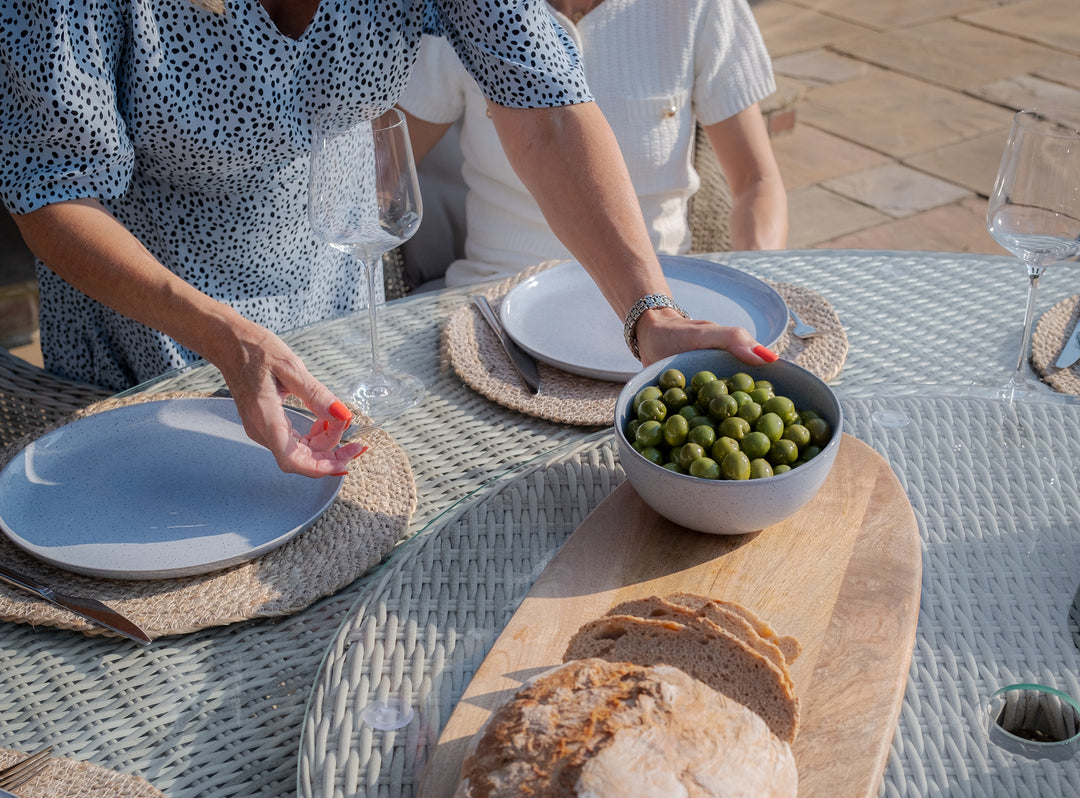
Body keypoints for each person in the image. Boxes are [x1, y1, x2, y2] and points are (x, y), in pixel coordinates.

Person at [0, 0, 778, 480]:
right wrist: (223, 335)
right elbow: (52, 197)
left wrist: (650, 311)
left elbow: (543, 106)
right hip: (149, 334)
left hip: (338, 301)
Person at [397, 0, 788, 289]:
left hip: (663, 296)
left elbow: (757, 181)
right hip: (497, 293)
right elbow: (380, 169)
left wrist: (757, 286)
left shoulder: (696, 8)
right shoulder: (469, 10)